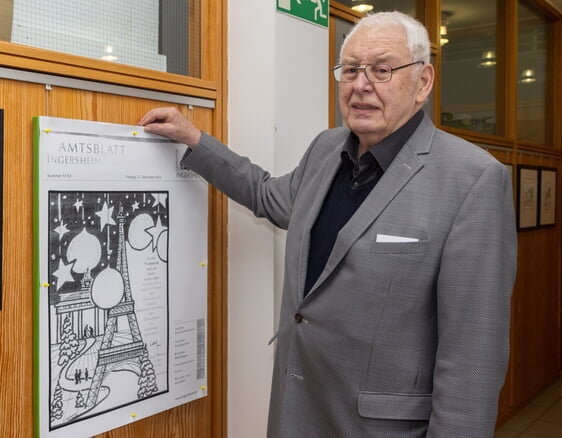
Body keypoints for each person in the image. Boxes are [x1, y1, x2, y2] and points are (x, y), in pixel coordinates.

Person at [139, 11, 517, 437]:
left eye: (382, 69)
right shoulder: (327, 147)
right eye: (351, 69)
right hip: (296, 410)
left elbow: (472, 357)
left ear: (423, 82)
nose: (361, 85)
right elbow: (268, 196)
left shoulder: (472, 179)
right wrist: (195, 141)